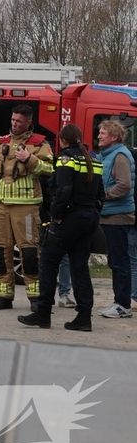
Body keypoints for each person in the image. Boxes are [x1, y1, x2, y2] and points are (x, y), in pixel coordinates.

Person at [19, 124, 104, 331]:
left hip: (69, 218)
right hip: (89, 217)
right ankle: (84, 317)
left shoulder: (66, 159)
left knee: (48, 263)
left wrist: (56, 215)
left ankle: (43, 313)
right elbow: (101, 194)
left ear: (63, 141)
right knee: (79, 267)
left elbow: (63, 189)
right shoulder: (93, 159)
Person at [0, 105, 54, 311]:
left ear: (29, 122)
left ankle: (36, 297)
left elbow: (50, 169)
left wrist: (29, 160)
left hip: (27, 206)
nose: (14, 124)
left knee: (30, 253)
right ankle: (3, 296)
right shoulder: (1, 143)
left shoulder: (39, 144)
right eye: (12, 120)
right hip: (2, 205)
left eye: (19, 121)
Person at [96, 119, 134, 319]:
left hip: (118, 216)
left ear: (114, 137)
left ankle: (122, 305)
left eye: (103, 133)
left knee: (119, 262)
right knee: (116, 261)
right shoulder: (108, 155)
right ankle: (120, 303)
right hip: (110, 214)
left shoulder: (119, 156)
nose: (99, 136)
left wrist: (103, 196)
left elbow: (124, 185)